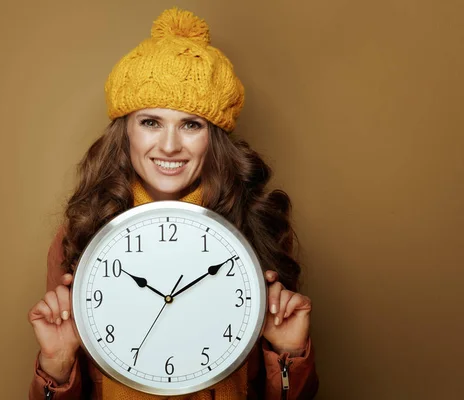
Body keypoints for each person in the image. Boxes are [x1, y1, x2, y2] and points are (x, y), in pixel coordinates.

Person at [28, 7, 318, 400]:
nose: (169, 145)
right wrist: (56, 366)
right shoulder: (80, 235)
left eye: (191, 124)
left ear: (213, 137)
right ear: (125, 131)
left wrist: (288, 354)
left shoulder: (257, 230)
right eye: (151, 122)